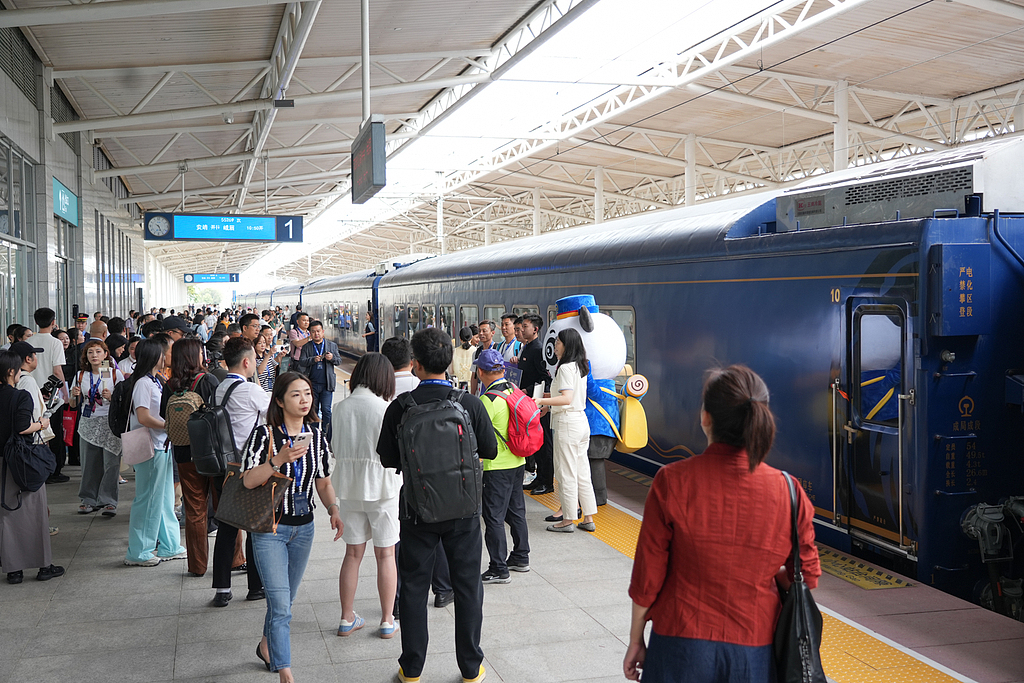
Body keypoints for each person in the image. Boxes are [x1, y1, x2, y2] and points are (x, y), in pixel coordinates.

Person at [624, 365, 821, 683]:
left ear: (706, 418)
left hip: (679, 641)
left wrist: (636, 640)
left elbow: (648, 577)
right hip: (754, 648)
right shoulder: (788, 490)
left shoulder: (672, 481)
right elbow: (807, 576)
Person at [376, 328, 497, 683]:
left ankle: (411, 669)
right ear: (448, 361)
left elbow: (387, 458)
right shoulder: (469, 404)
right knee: (467, 586)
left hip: (418, 510)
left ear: (415, 365)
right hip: (464, 511)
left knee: (414, 587)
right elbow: (489, 450)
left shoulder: (400, 407)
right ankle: (471, 668)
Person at [242, 372, 343, 683]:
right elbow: (247, 480)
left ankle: (266, 644)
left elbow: (323, 482)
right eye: (296, 394)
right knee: (281, 605)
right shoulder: (264, 435)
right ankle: (285, 672)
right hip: (270, 528)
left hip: (304, 528)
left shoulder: (316, 435)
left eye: (308, 394)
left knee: (284, 599)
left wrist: (333, 509)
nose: (304, 400)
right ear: (280, 400)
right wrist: (278, 459)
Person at [331, 353, 399, 639]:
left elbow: (335, 447)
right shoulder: (386, 409)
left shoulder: (339, 408)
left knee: (352, 553)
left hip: (348, 488)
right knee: (385, 555)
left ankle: (347, 618)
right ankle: (386, 621)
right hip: (382, 488)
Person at [210, 337, 270, 606]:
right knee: (255, 527)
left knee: (227, 528)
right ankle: (256, 586)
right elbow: (276, 414)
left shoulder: (220, 387)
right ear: (247, 362)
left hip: (226, 467)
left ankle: (222, 588)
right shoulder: (249, 390)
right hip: (249, 466)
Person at [0, 350, 64, 585]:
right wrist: (40, 424)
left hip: (2, 463)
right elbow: (21, 428)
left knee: (7, 516)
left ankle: (13, 570)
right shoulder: (20, 396)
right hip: (21, 461)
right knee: (35, 515)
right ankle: (43, 566)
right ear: (10, 372)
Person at [124, 336, 187, 567]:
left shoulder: (155, 380)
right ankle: (139, 551)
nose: (166, 357)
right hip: (151, 447)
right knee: (148, 500)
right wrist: (169, 425)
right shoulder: (143, 383)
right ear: (154, 356)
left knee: (164, 498)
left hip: (161, 445)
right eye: (164, 353)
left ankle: (170, 545)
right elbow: (143, 417)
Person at [162, 338, 222, 577]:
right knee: (223, 507)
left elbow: (164, 416)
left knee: (194, 510)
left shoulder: (170, 385)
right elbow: (220, 413)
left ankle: (197, 566)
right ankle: (235, 559)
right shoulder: (208, 380)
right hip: (212, 455)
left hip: (184, 453)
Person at [476, 349, 530, 583]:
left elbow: (478, 434)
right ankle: (520, 556)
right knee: (516, 511)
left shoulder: (488, 400)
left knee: (494, 517)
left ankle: (498, 568)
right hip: (518, 461)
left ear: (480, 372)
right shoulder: (513, 390)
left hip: (495, 466)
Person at [535, 328, 597, 533]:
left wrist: (541, 400)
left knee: (566, 472)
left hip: (567, 424)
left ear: (567, 345)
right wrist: (548, 405)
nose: (555, 345)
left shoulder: (565, 368)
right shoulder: (581, 366)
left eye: (559, 342)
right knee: (582, 472)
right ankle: (588, 517)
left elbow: (566, 398)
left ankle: (568, 519)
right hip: (581, 421)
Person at [69, 339, 124, 516]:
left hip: (110, 423)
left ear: (105, 354)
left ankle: (108, 501)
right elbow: (73, 403)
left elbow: (123, 402)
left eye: (98, 352)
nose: (94, 355)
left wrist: (112, 398)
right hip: (88, 422)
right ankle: (88, 499)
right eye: (90, 352)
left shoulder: (114, 374)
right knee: (89, 464)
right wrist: (74, 395)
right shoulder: (80, 375)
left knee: (111, 464)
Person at [32, 308, 68, 484]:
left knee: (36, 431)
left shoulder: (28, 342)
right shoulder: (55, 343)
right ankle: (54, 470)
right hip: (52, 396)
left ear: (36, 322)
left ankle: (38, 467)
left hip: (31, 394)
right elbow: (57, 370)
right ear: (54, 322)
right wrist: (66, 394)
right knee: (54, 432)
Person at [518, 314, 553, 495]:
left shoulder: (538, 349)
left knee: (545, 441)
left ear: (535, 330)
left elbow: (545, 378)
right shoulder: (527, 347)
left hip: (538, 402)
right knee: (536, 441)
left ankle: (547, 481)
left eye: (525, 327)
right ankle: (539, 478)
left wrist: (528, 390)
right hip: (529, 402)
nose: (522, 330)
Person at [296, 320, 341, 441]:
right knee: (313, 411)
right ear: (310, 333)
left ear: (323, 332)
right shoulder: (307, 347)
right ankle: (313, 435)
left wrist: (332, 358)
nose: (316, 334)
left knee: (326, 410)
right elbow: (302, 362)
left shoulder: (332, 346)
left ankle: (327, 435)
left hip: (327, 384)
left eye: (318, 331)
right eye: (313, 332)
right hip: (312, 384)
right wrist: (312, 360)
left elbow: (338, 361)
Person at [469, 321, 496, 395]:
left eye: (484, 331)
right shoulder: (477, 352)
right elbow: (474, 376)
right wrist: (472, 394)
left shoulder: (497, 350)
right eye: (479, 331)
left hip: (493, 392)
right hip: (480, 392)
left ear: (492, 333)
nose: (481, 333)